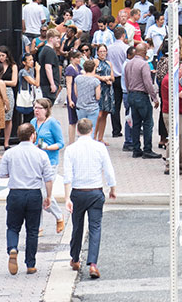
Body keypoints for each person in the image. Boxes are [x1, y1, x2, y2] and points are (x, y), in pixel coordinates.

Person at [62, 117, 117, 279]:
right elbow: (108, 169)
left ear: (78, 131)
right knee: (95, 227)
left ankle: (75, 258)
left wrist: (67, 198)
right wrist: (112, 188)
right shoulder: (99, 147)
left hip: (78, 192)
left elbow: (67, 176)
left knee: (77, 226)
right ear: (91, 130)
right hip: (95, 191)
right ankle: (93, 263)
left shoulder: (71, 150)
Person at [0, 123, 55, 275]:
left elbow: (2, 174)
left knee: (13, 227)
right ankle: (30, 264)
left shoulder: (10, 153)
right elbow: (48, 178)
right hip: (34, 193)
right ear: (32, 135)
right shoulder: (40, 154)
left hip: (16, 192)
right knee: (32, 230)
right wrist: (48, 196)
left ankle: (12, 248)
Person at [31, 99, 67, 233]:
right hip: (36, 162)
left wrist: (48, 147)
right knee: (36, 194)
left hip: (50, 162)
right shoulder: (33, 122)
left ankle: (59, 216)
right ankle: (38, 226)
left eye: (39, 108)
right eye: (35, 107)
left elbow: (60, 143)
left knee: (45, 193)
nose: (36, 110)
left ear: (46, 110)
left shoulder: (53, 123)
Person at [123, 43, 160, 159]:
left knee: (136, 123)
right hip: (141, 96)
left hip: (132, 94)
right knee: (148, 123)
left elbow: (127, 80)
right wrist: (154, 97)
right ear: (144, 52)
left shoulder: (128, 64)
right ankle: (147, 149)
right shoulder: (144, 65)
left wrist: (130, 92)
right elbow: (148, 83)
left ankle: (136, 149)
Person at [94, 44, 115, 145]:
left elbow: (113, 76)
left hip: (108, 89)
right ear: (97, 52)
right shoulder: (95, 62)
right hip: (99, 88)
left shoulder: (108, 63)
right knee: (99, 114)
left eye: (104, 51)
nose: (102, 53)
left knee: (105, 114)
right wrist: (102, 78)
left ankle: (100, 137)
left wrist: (109, 79)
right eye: (100, 51)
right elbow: (92, 74)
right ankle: (93, 136)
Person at [74, 60, 102, 131]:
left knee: (81, 128)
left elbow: (76, 93)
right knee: (91, 128)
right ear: (94, 68)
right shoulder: (96, 81)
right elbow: (98, 97)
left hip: (80, 106)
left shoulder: (78, 79)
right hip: (92, 107)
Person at [14, 53, 38, 131]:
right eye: (30, 60)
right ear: (24, 62)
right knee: (26, 118)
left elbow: (37, 83)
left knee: (30, 116)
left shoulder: (31, 70)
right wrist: (38, 71)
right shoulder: (23, 72)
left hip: (31, 95)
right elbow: (35, 83)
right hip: (25, 95)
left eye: (32, 59)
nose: (32, 61)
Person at [36, 32, 61, 105]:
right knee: (47, 106)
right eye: (57, 38)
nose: (59, 40)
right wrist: (52, 84)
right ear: (51, 39)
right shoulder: (49, 51)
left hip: (46, 84)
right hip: (47, 85)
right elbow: (48, 68)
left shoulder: (46, 50)